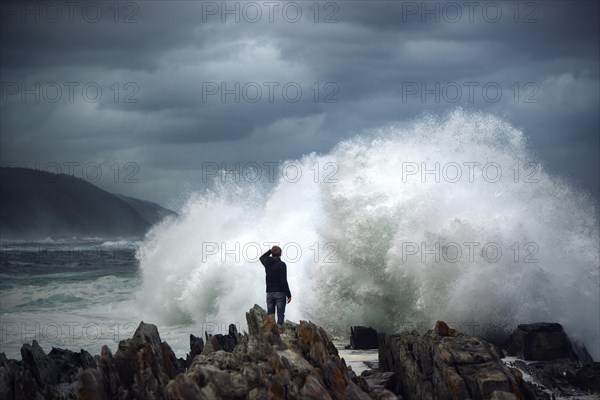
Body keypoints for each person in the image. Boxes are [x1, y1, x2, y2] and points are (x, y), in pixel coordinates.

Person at [259, 245, 292, 325]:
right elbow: (283, 281)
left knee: (270, 315)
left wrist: (271, 250)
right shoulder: (282, 265)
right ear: (280, 254)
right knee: (280, 315)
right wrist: (288, 294)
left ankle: (272, 334)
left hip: (269, 293)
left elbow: (261, 257)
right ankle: (280, 332)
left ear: (272, 254)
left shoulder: (267, 263)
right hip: (280, 293)